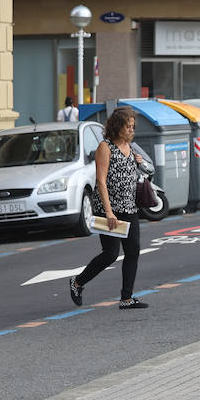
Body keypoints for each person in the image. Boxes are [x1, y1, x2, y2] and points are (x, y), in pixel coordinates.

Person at [69, 106, 150, 310]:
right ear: (117, 127)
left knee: (133, 251)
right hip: (109, 209)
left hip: (129, 208)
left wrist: (137, 162)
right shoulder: (105, 147)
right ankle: (77, 282)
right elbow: (101, 181)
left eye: (133, 126)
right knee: (111, 253)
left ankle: (126, 298)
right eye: (128, 127)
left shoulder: (130, 147)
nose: (131, 130)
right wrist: (108, 211)